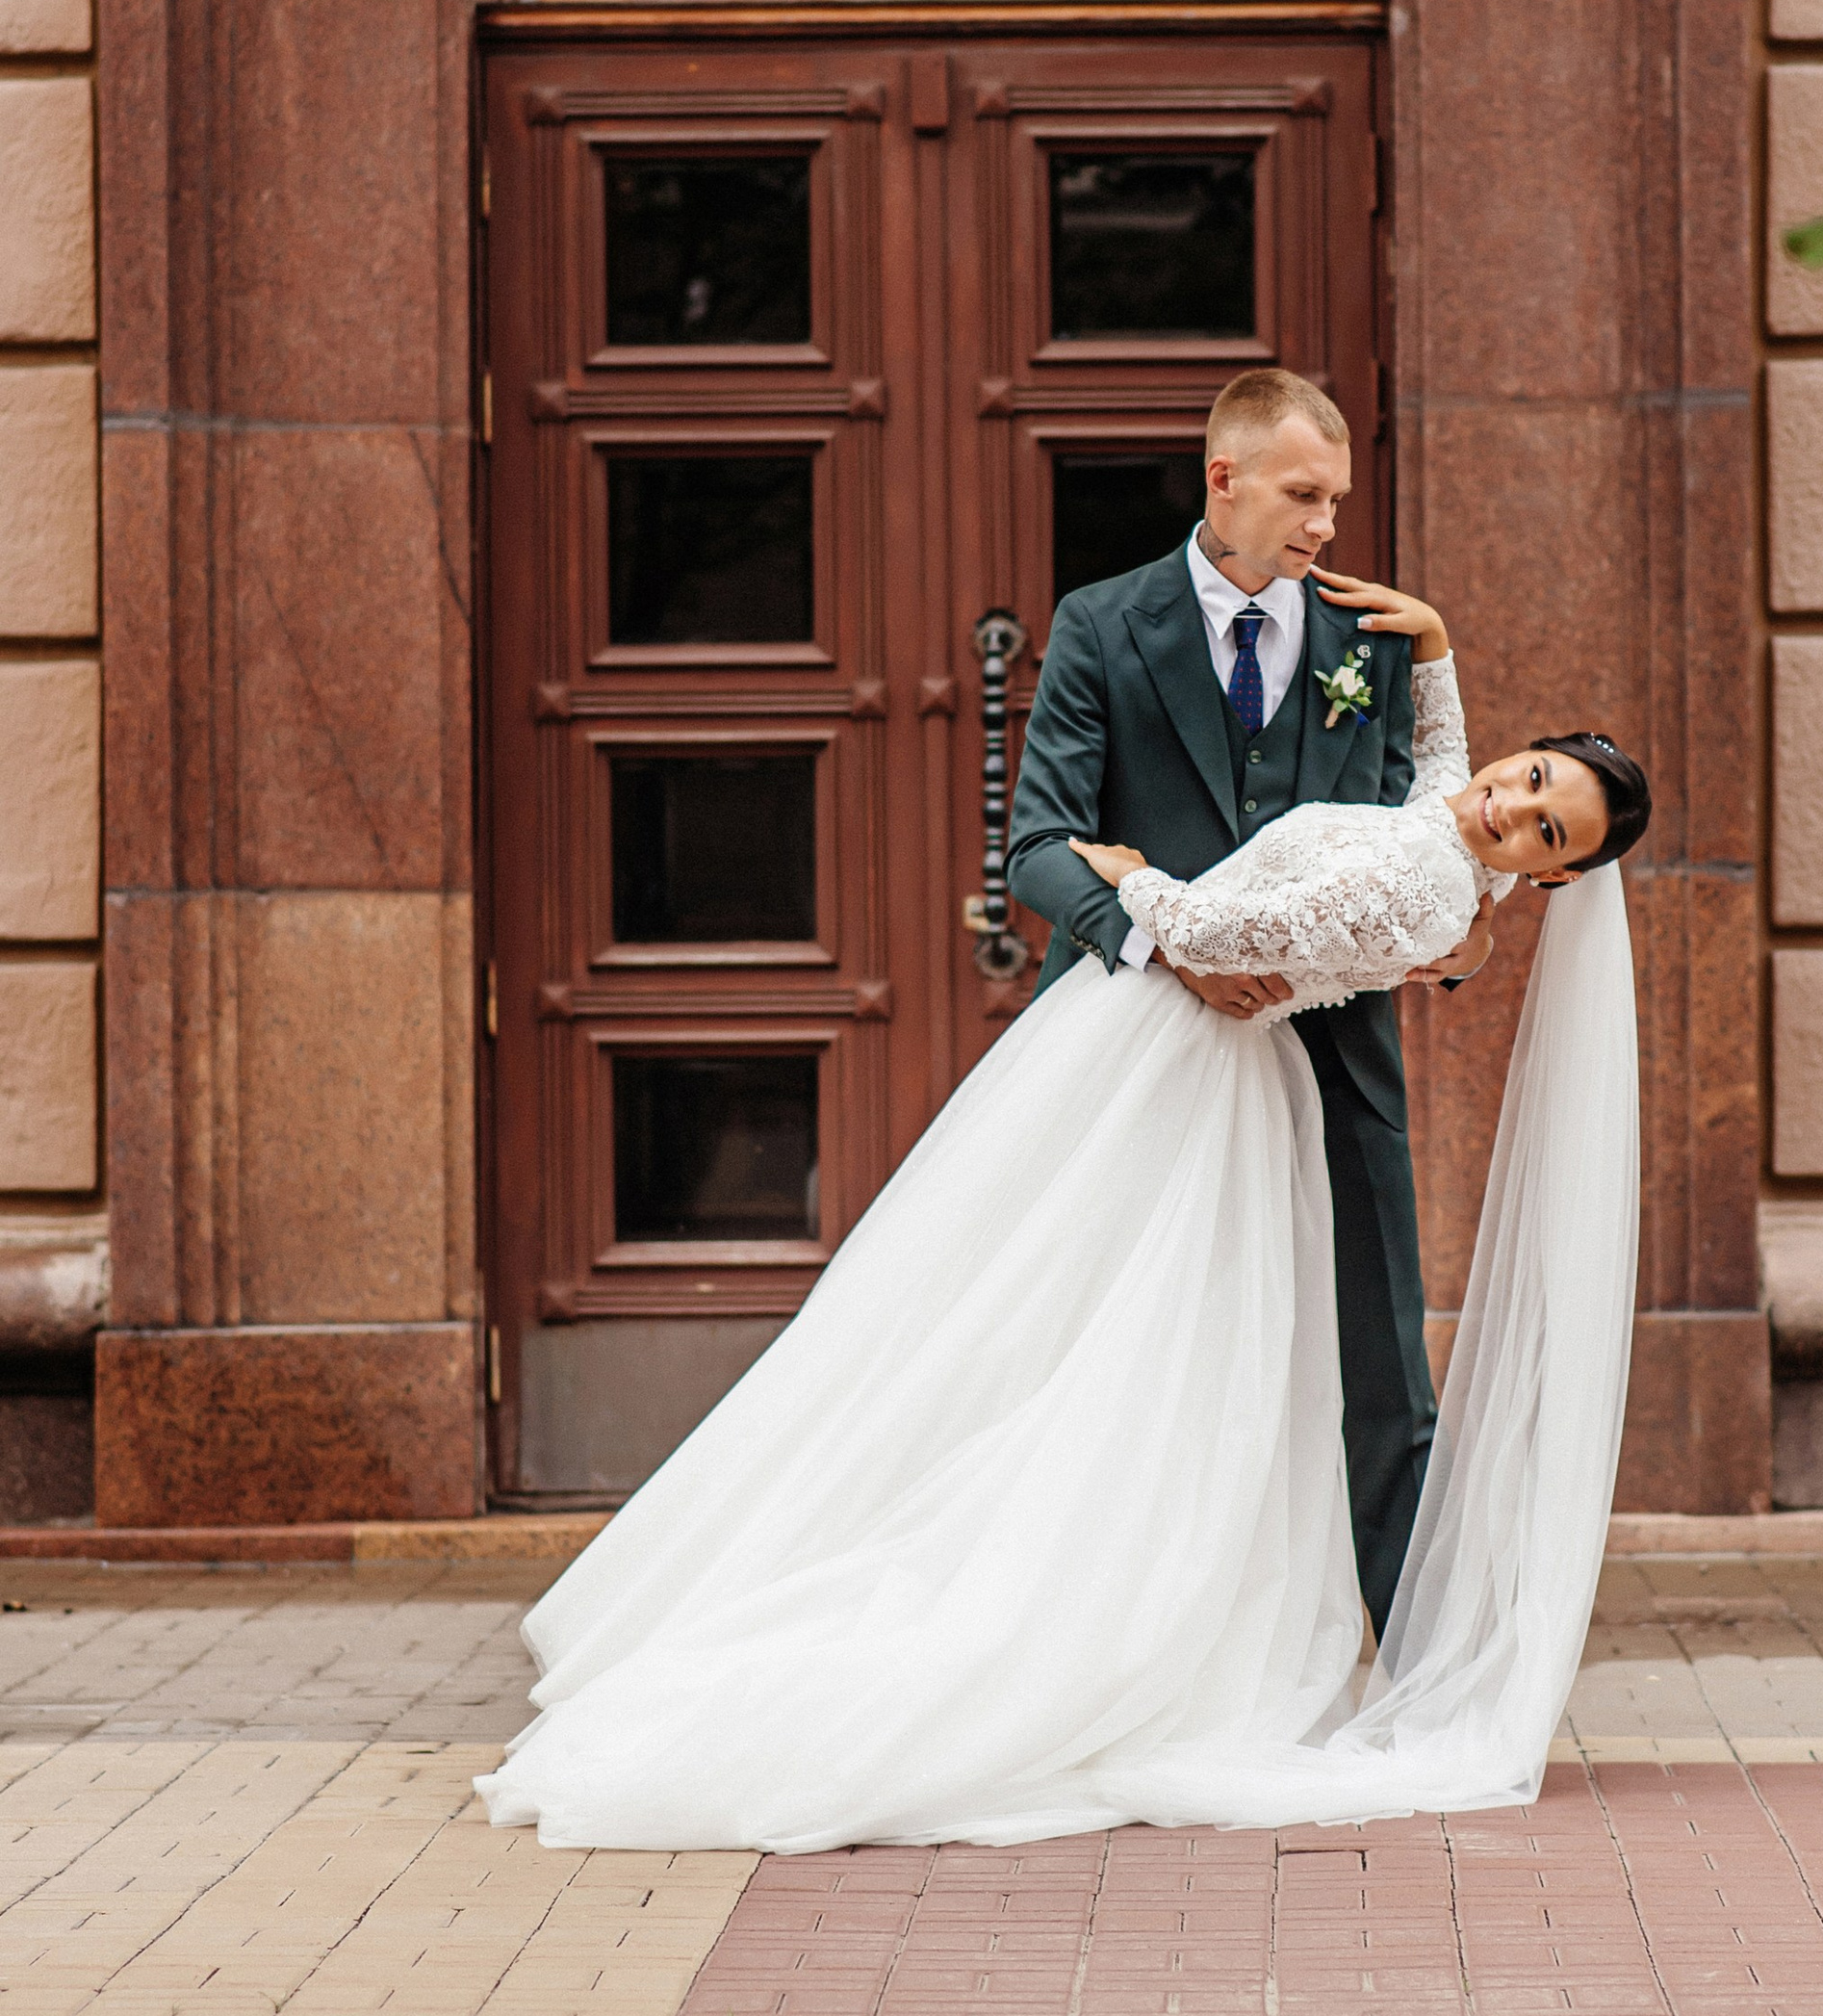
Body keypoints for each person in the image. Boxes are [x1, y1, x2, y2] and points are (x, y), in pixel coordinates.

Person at [475, 550, 1651, 1858]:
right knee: (1047, 1308)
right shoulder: (1450, 841)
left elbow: (1213, 942)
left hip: (1180, 1059)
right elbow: (1446, 779)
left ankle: (1040, 1614)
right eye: (1535, 781)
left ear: (1550, 881)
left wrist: (1124, 870)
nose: (1515, 811)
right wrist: (1433, 649)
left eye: (1549, 834)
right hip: (1175, 1061)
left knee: (1061, 1322)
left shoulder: (1429, 889)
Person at [1004, 368, 1484, 1637]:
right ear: (1225, 480)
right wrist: (1172, 944)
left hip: (1333, 1046)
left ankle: (1421, 1651)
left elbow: (1406, 828)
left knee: (1383, 1357)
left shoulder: (1369, 644)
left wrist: (1432, 930)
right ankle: (1103, 1633)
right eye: (1302, 493)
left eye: (1336, 495)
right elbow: (1041, 847)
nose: (1327, 521)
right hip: (1139, 1045)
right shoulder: (1104, 626)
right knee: (1122, 1346)